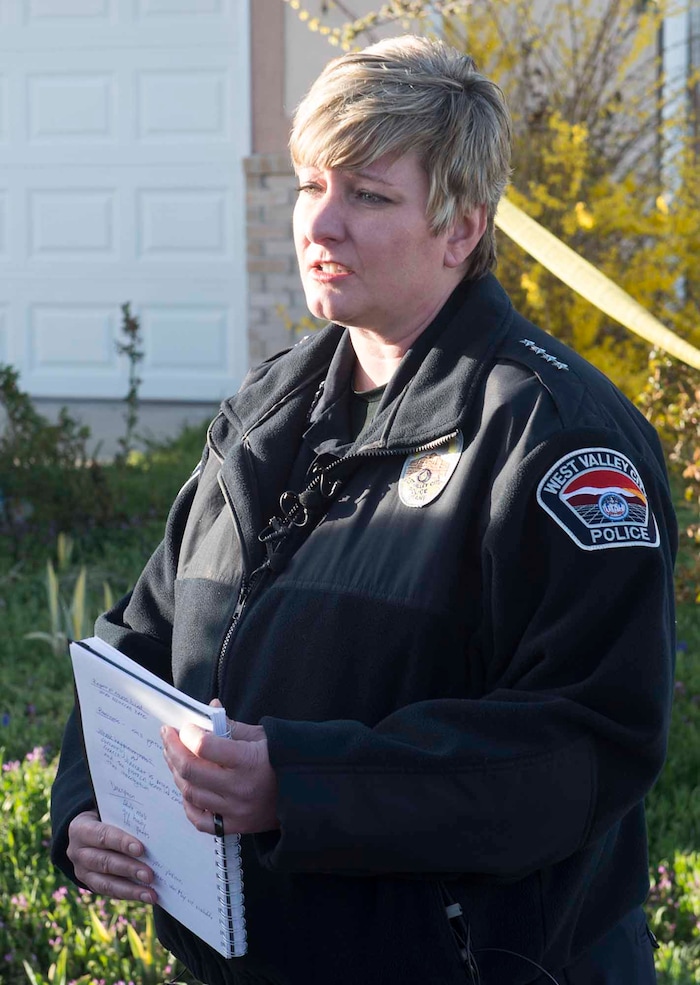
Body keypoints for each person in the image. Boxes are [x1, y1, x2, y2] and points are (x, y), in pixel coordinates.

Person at [51, 35, 677, 985]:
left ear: (461, 229)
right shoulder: (263, 411)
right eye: (311, 185)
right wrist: (89, 806)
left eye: (369, 196)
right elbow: (140, 638)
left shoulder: (558, 443)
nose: (321, 225)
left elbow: (582, 747)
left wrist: (300, 784)